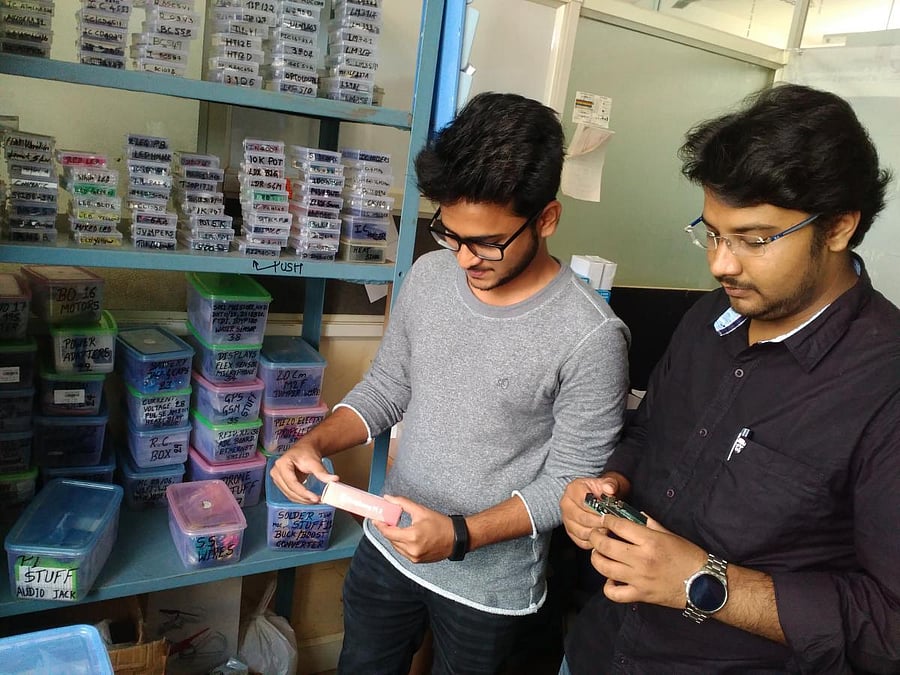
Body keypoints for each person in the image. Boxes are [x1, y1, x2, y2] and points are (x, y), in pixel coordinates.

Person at [271, 92, 631, 674]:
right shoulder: (430, 275)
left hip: (491, 590)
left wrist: (460, 536)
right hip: (389, 546)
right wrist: (313, 443)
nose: (465, 259)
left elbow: (571, 484)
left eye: (488, 242)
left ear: (546, 218)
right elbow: (389, 385)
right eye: (450, 234)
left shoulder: (591, 335)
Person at [560, 82, 900, 674]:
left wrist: (700, 581)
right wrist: (608, 487)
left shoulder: (885, 388)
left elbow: (890, 625)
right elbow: (649, 436)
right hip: (601, 649)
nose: (720, 263)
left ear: (840, 227)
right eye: (713, 232)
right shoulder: (708, 320)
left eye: (755, 240)